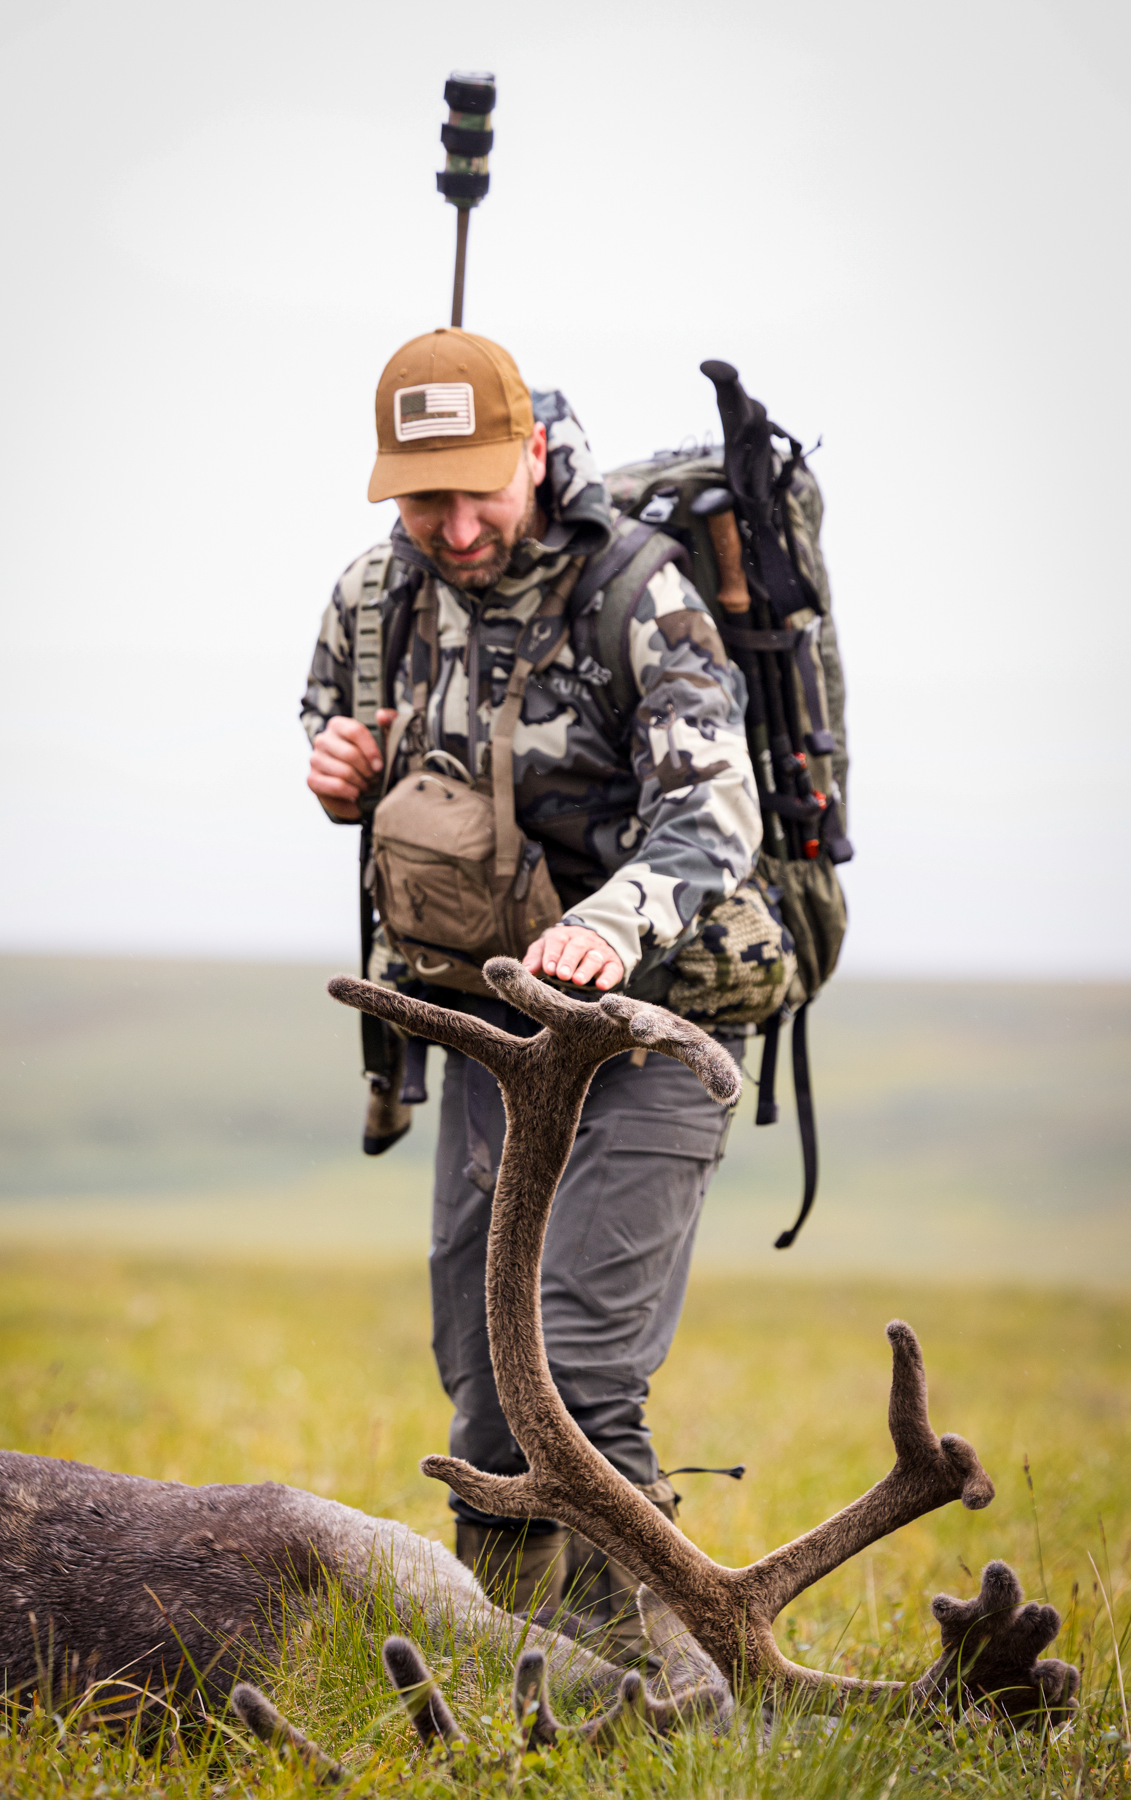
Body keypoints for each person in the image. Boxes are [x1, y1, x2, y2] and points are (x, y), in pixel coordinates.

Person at [301, 328, 762, 1648]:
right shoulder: (372, 597)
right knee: (490, 1389)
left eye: (475, 493)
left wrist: (613, 931)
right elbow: (342, 734)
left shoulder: (642, 594)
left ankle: (666, 1692)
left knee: (583, 1371)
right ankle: (509, 1675)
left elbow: (713, 813)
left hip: (653, 1029)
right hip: (492, 1036)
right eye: (421, 499)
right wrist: (338, 769)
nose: (450, 527)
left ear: (536, 455)